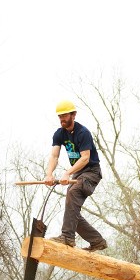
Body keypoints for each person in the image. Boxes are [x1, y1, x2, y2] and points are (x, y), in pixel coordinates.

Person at [44, 101, 107, 251]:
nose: (62, 119)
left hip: (91, 172)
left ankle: (67, 237)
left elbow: (85, 158)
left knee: (72, 193)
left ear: (73, 115)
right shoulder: (59, 134)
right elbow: (54, 156)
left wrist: (67, 173)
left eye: (65, 115)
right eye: (60, 116)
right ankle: (97, 241)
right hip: (79, 173)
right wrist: (49, 174)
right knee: (71, 210)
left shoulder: (83, 133)